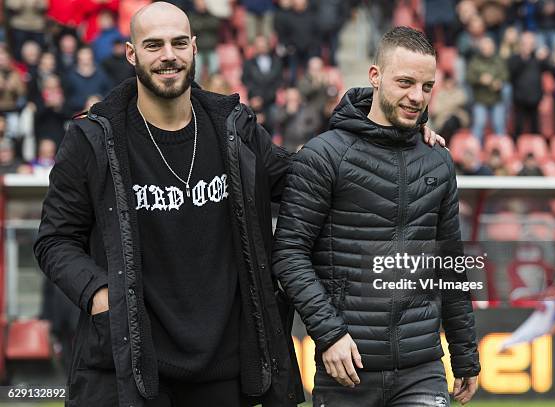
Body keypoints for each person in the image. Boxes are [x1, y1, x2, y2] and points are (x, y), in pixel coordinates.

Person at [34, 3, 304, 406]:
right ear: (131, 54)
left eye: (179, 43)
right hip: (134, 368)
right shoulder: (93, 139)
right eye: (153, 45)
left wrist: (386, 129)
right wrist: (101, 294)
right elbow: (54, 240)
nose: (168, 56)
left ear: (194, 48)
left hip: (226, 372)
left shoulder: (235, 128)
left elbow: (306, 177)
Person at [272, 26, 480, 407]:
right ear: (375, 76)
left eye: (426, 86)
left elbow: (449, 265)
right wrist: (330, 334)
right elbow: (288, 253)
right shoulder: (323, 156)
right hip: (347, 369)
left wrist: (465, 354)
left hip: (423, 369)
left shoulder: (438, 160)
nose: (417, 97)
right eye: (405, 82)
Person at [466, 36, 509, 141]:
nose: (487, 50)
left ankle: (501, 149)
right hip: (480, 99)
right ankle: (474, 150)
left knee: (499, 124)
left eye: (489, 47)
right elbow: (468, 78)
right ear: (481, 49)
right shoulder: (475, 61)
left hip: (496, 98)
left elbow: (505, 75)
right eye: (484, 48)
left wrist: (499, 82)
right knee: (479, 124)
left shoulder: (499, 61)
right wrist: (480, 79)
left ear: (493, 48)